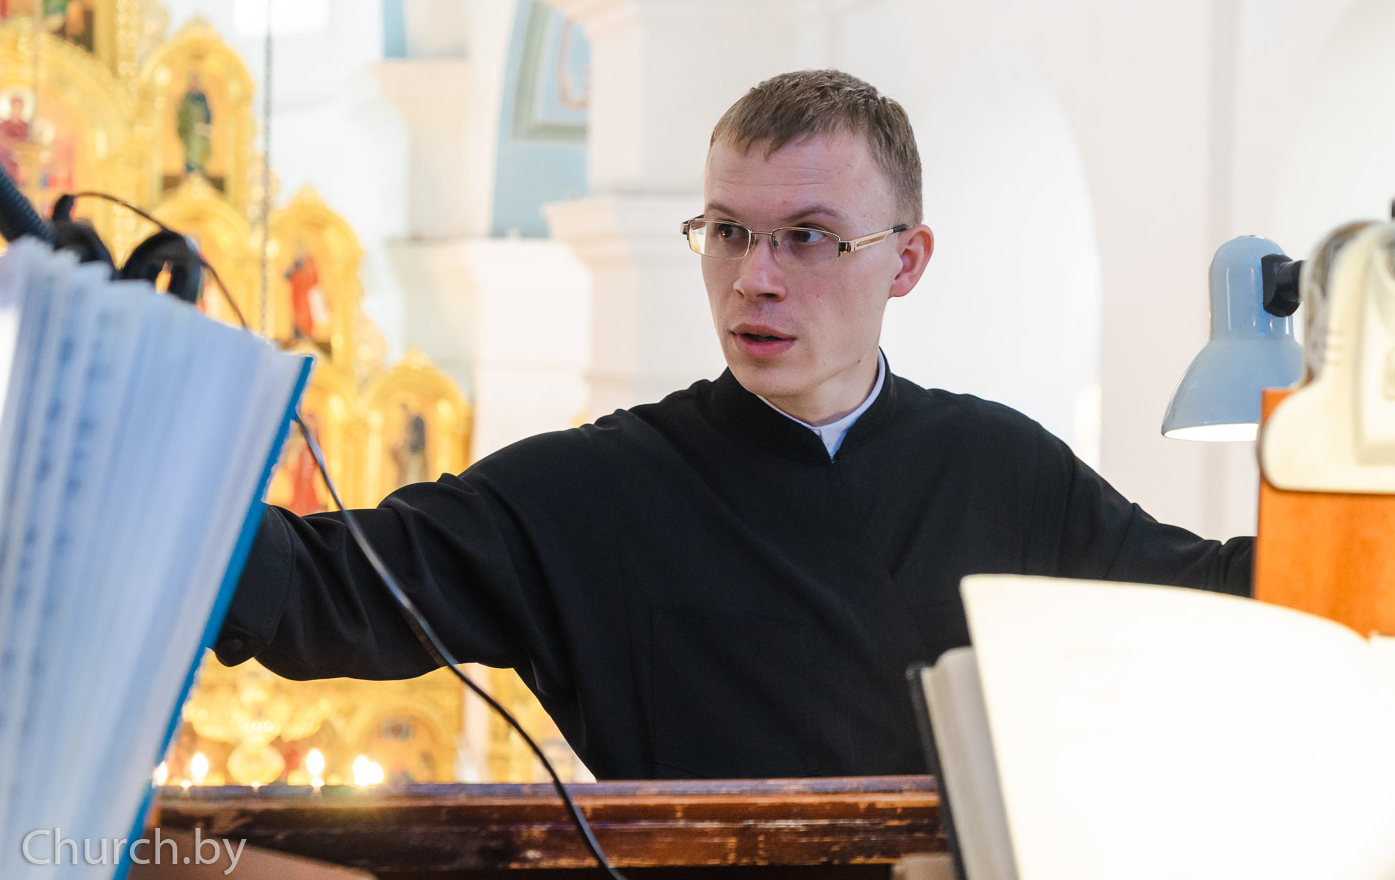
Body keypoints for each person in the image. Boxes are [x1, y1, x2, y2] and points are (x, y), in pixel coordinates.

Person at [215, 69, 1253, 779]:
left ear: (906, 260)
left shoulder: (1001, 468)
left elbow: (1211, 602)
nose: (754, 277)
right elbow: (328, 585)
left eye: (807, 237)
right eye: (727, 232)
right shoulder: (598, 489)